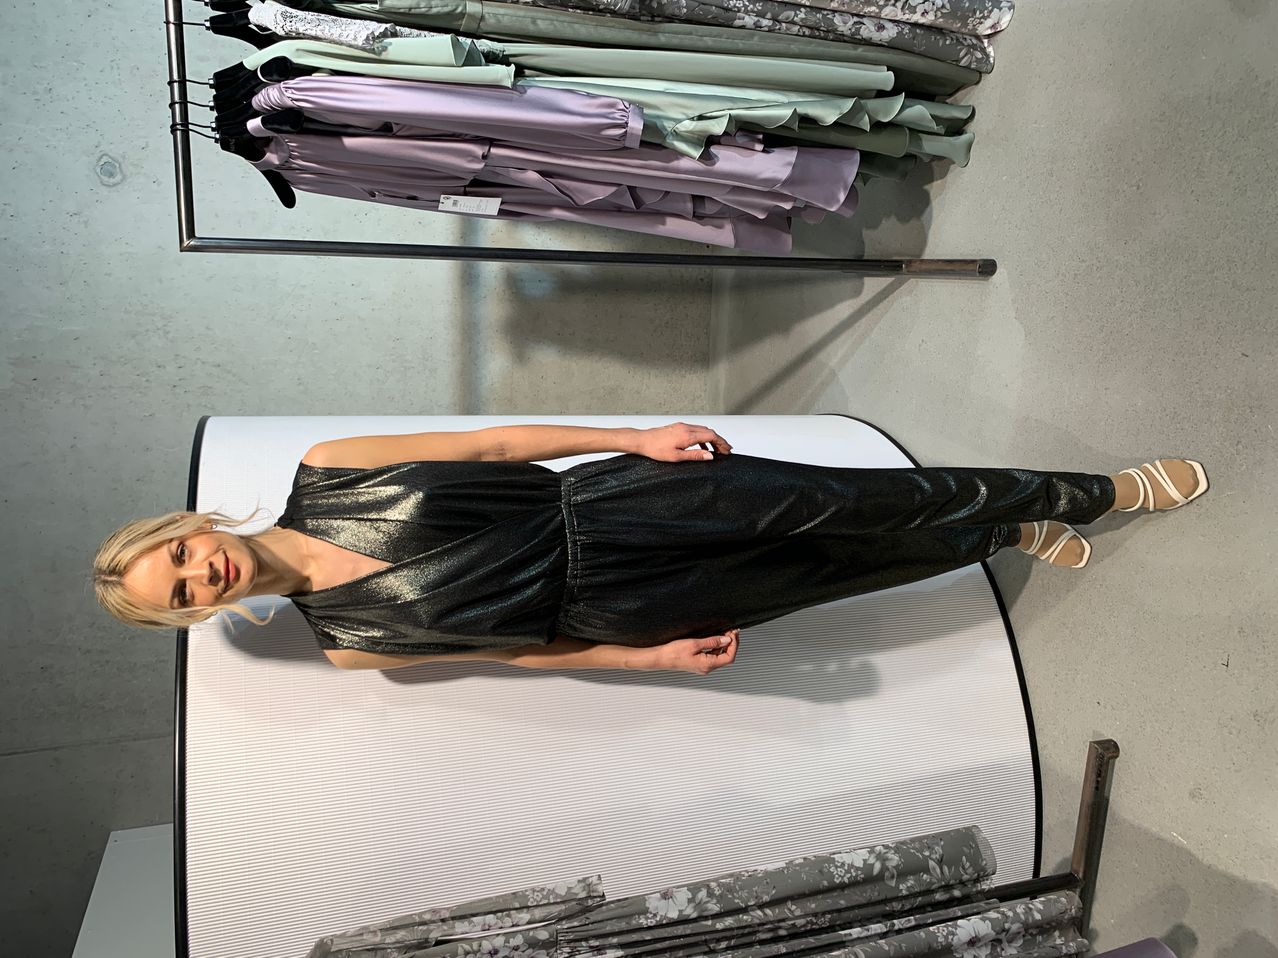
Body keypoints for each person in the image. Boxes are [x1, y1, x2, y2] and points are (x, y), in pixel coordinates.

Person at [94, 422, 1208, 675]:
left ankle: (1095, 491)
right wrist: (645, 659)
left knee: (852, 499)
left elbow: (494, 443)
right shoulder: (348, 643)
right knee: (840, 571)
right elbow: (514, 653)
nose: (199, 575)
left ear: (191, 529)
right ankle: (1006, 530)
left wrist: (631, 438)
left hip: (618, 508)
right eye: (180, 596)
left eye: (177, 557)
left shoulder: (331, 467)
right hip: (616, 609)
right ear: (196, 613)